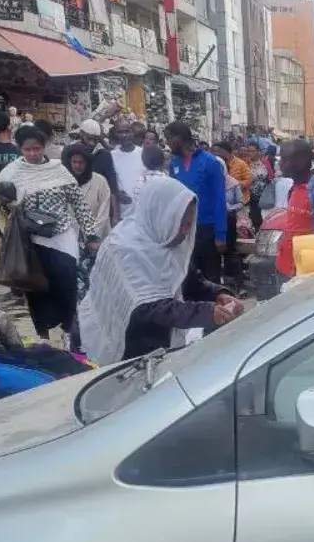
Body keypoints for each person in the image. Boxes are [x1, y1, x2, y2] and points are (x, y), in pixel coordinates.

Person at [78, 177, 242, 365]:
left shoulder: (167, 242)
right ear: (159, 215)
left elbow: (187, 280)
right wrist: (204, 312)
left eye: (189, 224)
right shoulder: (122, 248)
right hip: (127, 347)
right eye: (180, 223)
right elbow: (146, 307)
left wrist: (217, 294)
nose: (185, 232)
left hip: (157, 345)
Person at [0, 124, 99, 349]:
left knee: (66, 284)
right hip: (31, 241)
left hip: (61, 238)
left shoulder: (58, 170)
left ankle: (69, 333)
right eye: (27, 150)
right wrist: (9, 204)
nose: (32, 154)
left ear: (44, 147)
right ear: (20, 149)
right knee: (36, 290)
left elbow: (79, 203)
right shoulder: (12, 173)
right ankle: (44, 340)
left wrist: (91, 235)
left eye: (37, 149)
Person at [165, 120, 228, 288]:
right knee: (189, 278)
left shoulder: (210, 162)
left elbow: (219, 199)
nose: (167, 143)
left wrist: (220, 234)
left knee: (211, 278)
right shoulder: (174, 164)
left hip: (207, 230)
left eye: (169, 138)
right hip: (185, 231)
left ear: (179, 138)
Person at [274, 137, 314, 280]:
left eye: (285, 159)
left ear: (300, 161)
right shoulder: (294, 188)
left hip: (303, 272)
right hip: (286, 268)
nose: (280, 163)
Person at [63, 119, 119, 227]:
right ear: (81, 135)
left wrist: (115, 216)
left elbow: (112, 187)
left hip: (98, 209)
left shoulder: (104, 156)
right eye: (89, 138)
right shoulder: (68, 153)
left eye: (95, 140)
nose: (92, 143)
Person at [67, 144, 113, 240]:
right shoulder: (65, 182)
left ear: (87, 163)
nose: (77, 166)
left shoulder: (100, 181)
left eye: (81, 162)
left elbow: (103, 213)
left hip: (97, 237)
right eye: (74, 162)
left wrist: (92, 237)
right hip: (72, 238)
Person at [109, 120, 145, 220]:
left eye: (127, 131)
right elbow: (109, 183)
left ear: (132, 132)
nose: (124, 135)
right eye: (120, 132)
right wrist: (116, 193)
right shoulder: (112, 156)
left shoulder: (143, 153)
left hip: (144, 214)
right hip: (124, 215)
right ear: (115, 134)